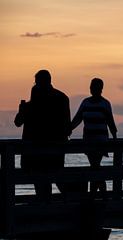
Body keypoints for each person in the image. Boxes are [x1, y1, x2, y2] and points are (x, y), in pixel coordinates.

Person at [14, 69, 71, 202]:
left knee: (41, 183)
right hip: (55, 151)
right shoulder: (62, 98)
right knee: (53, 179)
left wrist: (22, 110)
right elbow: (67, 129)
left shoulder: (32, 104)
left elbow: (18, 122)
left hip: (35, 154)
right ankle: (66, 204)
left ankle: (45, 207)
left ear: (39, 83)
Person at [71, 78, 117, 198]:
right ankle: (101, 194)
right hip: (88, 140)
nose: (92, 89)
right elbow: (77, 119)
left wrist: (115, 138)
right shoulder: (85, 102)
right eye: (91, 86)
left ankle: (95, 194)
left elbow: (111, 122)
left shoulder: (105, 104)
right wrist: (68, 130)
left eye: (95, 87)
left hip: (101, 141)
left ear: (101, 89)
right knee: (95, 166)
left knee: (95, 165)